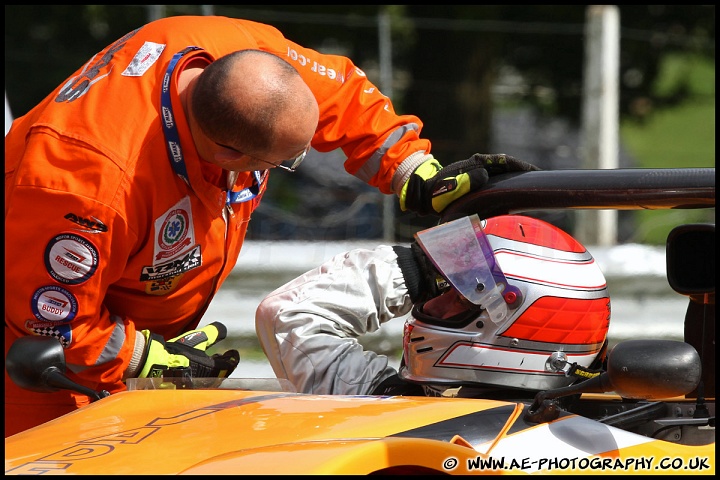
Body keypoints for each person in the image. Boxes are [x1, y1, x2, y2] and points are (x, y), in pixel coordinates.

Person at [4, 14, 539, 436]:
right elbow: (49, 322)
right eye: (282, 163)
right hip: (34, 355)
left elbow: (339, 99)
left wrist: (414, 171)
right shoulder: (85, 187)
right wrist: (143, 356)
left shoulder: (233, 51)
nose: (287, 168)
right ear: (224, 150)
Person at [256, 214, 611, 398]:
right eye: (444, 287)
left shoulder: (394, 412)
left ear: (507, 333)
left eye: (460, 297)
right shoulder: (601, 441)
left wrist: (412, 270)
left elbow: (288, 315)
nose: (433, 303)